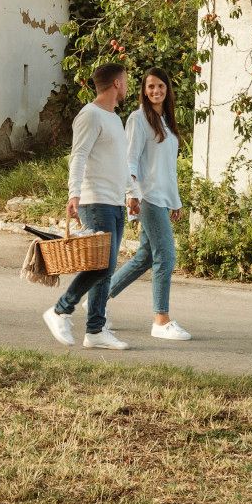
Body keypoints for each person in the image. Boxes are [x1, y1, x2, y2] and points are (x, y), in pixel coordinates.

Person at [43, 61, 133, 348]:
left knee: (106, 269)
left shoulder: (114, 119)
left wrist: (131, 192)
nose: (128, 85)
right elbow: (78, 156)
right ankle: (60, 310)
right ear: (117, 83)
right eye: (126, 80)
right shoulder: (90, 116)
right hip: (95, 202)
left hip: (115, 203)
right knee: (103, 266)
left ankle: (95, 330)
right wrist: (74, 193)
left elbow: (120, 162)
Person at [105, 68, 188, 342]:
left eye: (160, 86)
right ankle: (161, 320)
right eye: (150, 86)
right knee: (166, 255)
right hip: (147, 197)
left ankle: (99, 297)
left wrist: (175, 201)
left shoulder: (166, 121)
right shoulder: (138, 119)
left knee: (145, 258)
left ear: (167, 89)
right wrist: (131, 193)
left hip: (163, 199)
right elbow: (129, 159)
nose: (156, 91)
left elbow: (169, 168)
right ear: (143, 89)